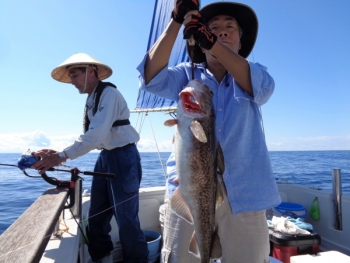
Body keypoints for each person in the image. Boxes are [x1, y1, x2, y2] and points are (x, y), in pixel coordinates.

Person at [138, 1, 281, 262]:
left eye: (230, 28)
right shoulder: (187, 77)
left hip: (246, 196)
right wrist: (176, 22)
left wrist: (212, 42)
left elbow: (258, 88)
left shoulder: (256, 74)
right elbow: (150, 78)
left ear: (241, 41)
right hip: (187, 194)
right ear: (200, 41)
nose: (222, 31)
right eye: (213, 27)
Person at [32, 53, 149, 263]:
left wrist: (61, 157)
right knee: (96, 216)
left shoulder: (109, 94)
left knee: (127, 221)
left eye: (75, 75)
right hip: (106, 157)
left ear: (91, 72)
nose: (73, 82)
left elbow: (96, 135)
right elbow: (90, 135)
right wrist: (57, 153)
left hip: (123, 158)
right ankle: (102, 258)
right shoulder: (92, 99)